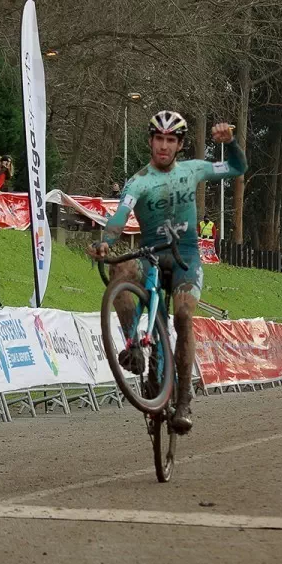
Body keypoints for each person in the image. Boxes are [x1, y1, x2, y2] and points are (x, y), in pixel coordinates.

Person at [87, 111, 246, 435]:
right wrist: (106, 242)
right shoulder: (139, 181)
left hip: (186, 257)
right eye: (158, 139)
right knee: (120, 268)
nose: (163, 146)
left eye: (170, 140)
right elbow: (120, 216)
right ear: (150, 141)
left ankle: (184, 400)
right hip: (151, 254)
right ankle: (135, 346)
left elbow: (237, 168)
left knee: (184, 316)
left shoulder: (194, 169)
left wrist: (230, 144)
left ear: (180, 145)